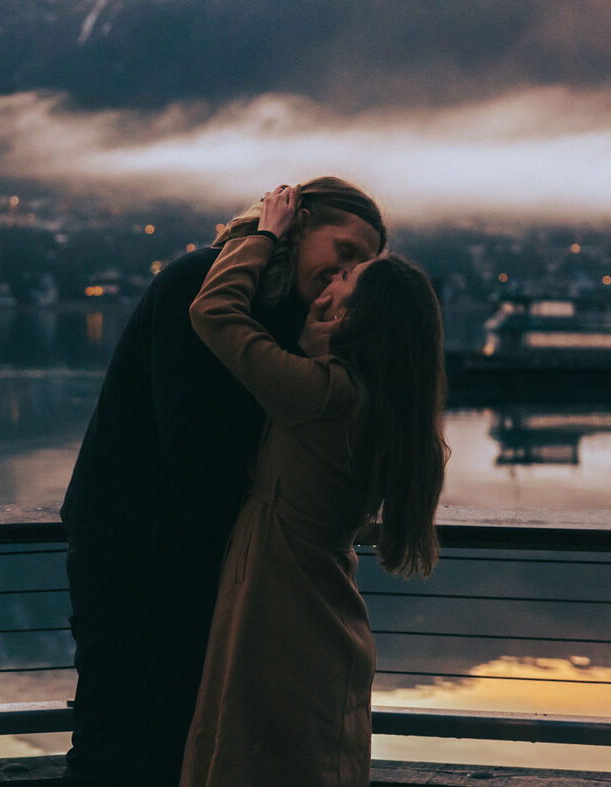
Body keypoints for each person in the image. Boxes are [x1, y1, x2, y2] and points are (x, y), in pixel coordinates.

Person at [60, 177, 386, 784]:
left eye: (364, 265)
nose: (347, 273)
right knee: (117, 732)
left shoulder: (298, 319)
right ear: (298, 224)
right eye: (345, 251)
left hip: (211, 558)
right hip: (130, 551)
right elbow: (193, 437)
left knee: (184, 734)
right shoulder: (198, 281)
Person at [179, 186, 449, 787]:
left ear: (349, 317)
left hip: (283, 609)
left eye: (343, 285)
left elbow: (214, 313)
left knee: (257, 757)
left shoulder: (322, 395)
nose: (328, 286)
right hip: (315, 605)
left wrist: (264, 235)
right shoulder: (376, 405)